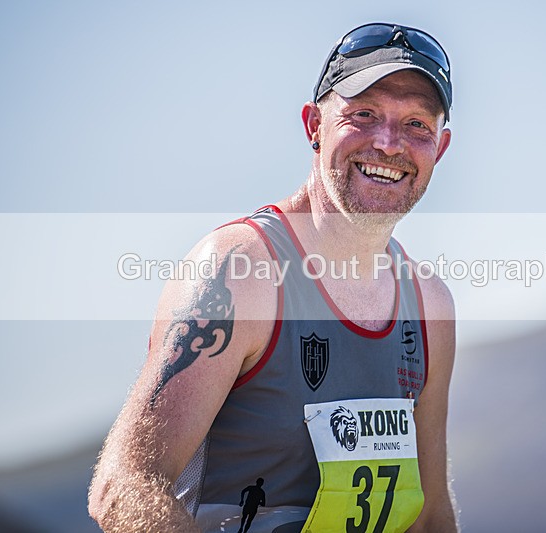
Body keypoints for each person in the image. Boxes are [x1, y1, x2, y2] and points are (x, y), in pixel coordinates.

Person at [89, 22, 456, 532]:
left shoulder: (429, 305)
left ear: (439, 148)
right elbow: (124, 485)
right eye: (364, 114)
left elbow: (429, 515)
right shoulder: (240, 270)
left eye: (417, 124)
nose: (389, 143)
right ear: (313, 126)